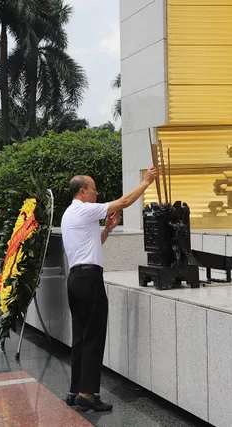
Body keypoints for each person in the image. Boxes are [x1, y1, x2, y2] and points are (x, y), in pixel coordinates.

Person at [61, 167, 158, 411]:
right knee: (94, 336)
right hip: (89, 279)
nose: (97, 193)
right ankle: (87, 393)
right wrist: (146, 182)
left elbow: (93, 243)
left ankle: (75, 390)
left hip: (75, 279)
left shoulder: (71, 214)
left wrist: (107, 230)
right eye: (94, 189)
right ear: (82, 192)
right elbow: (124, 202)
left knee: (81, 336)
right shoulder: (85, 209)